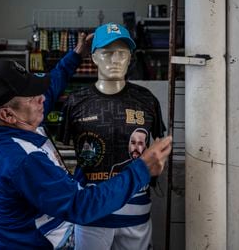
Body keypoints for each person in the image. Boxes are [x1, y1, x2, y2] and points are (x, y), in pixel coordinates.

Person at [0, 33, 172, 250]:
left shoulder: (16, 123)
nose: (43, 99)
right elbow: (81, 205)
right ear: (7, 115)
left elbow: (51, 86)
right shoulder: (23, 160)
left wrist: (76, 56)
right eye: (32, 97)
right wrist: (141, 169)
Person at [59, 23, 166, 250]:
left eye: (122, 53)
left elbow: (155, 149)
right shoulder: (76, 102)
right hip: (92, 213)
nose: (115, 60)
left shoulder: (147, 100)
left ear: (130, 58)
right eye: (107, 53)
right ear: (94, 57)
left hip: (137, 212)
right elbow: (64, 155)